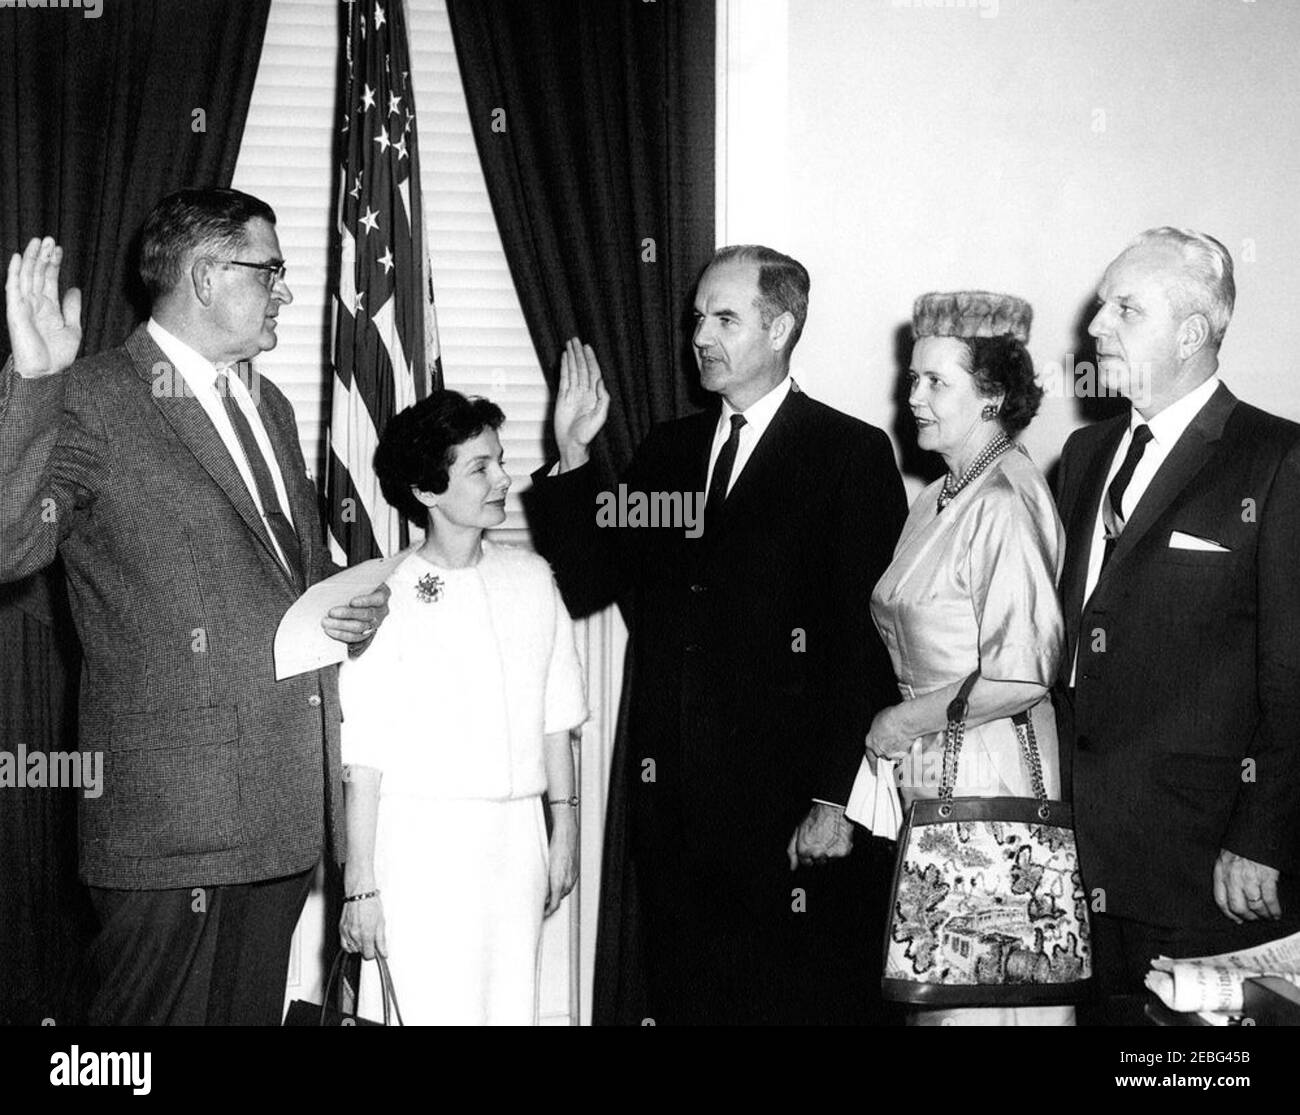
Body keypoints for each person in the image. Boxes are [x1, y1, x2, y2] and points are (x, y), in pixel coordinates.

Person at [0, 188, 388, 1026]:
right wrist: (34, 382)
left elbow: (300, 571)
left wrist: (350, 606)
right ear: (207, 275)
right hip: (172, 828)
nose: (285, 289)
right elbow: (8, 543)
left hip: (281, 815)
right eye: (270, 269)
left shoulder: (271, 406)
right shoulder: (93, 392)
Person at [524, 245, 908, 1025]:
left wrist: (835, 796)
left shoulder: (849, 454)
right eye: (698, 316)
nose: (700, 334)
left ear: (781, 327)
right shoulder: (669, 451)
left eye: (724, 317)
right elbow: (591, 580)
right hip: (678, 810)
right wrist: (571, 456)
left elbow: (866, 646)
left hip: (792, 812)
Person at [1055, 228, 1300, 997]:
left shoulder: (1276, 458)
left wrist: (1262, 837)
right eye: (1102, 305)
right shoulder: (1085, 454)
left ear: (1192, 333)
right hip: (1082, 857)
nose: (1096, 326)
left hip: (1207, 866)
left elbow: (1294, 674)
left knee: (1188, 1075)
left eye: (1125, 308)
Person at [335, 390, 587, 1025]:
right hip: (421, 846)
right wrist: (360, 885)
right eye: (480, 468)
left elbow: (559, 718)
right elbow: (362, 758)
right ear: (427, 490)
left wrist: (566, 832)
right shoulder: (380, 595)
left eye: (499, 461)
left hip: (515, 844)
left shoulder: (532, 578)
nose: (504, 478)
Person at [862, 291, 1075, 1026]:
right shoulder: (942, 494)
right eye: (911, 378)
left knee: (986, 999)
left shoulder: (1005, 500)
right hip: (939, 761)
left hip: (989, 767)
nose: (912, 396)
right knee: (944, 992)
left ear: (992, 395)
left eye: (934, 382)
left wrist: (898, 722)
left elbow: (1021, 673)